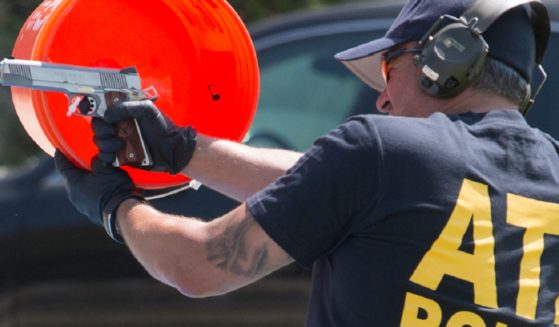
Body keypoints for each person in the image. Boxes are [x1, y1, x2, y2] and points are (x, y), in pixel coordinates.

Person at [54, 0, 558, 325]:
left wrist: (114, 205)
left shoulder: (382, 153)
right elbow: (335, 183)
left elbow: (198, 266)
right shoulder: (548, 175)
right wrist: (183, 151)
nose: (383, 99)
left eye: (390, 68)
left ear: (444, 60)